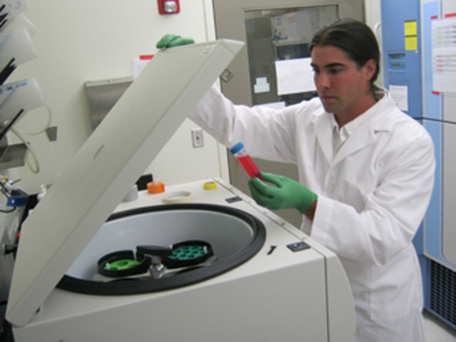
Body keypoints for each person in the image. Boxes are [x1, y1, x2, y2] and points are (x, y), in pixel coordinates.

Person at [157, 18, 435, 342]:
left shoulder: (408, 142)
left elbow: (383, 237)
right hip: (318, 281)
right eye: (316, 70)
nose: (322, 83)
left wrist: (309, 203)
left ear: (369, 69)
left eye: (335, 70)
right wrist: (193, 77)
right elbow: (236, 123)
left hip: (376, 304)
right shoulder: (309, 118)